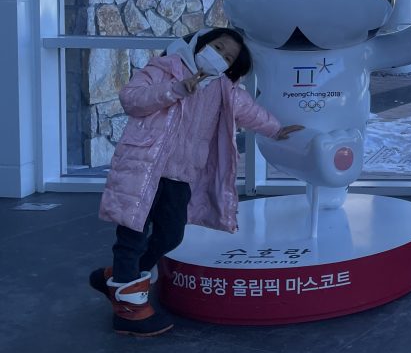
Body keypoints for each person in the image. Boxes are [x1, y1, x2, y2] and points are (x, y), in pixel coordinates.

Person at [90, 28, 302, 336]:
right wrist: (175, 89)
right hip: (143, 168)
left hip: (181, 174)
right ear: (201, 44)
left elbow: (249, 112)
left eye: (228, 57)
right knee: (131, 237)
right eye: (218, 47)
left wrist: (276, 130)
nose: (220, 57)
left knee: (171, 235)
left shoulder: (224, 88)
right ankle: (127, 310)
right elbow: (131, 99)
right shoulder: (166, 67)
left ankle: (122, 278)